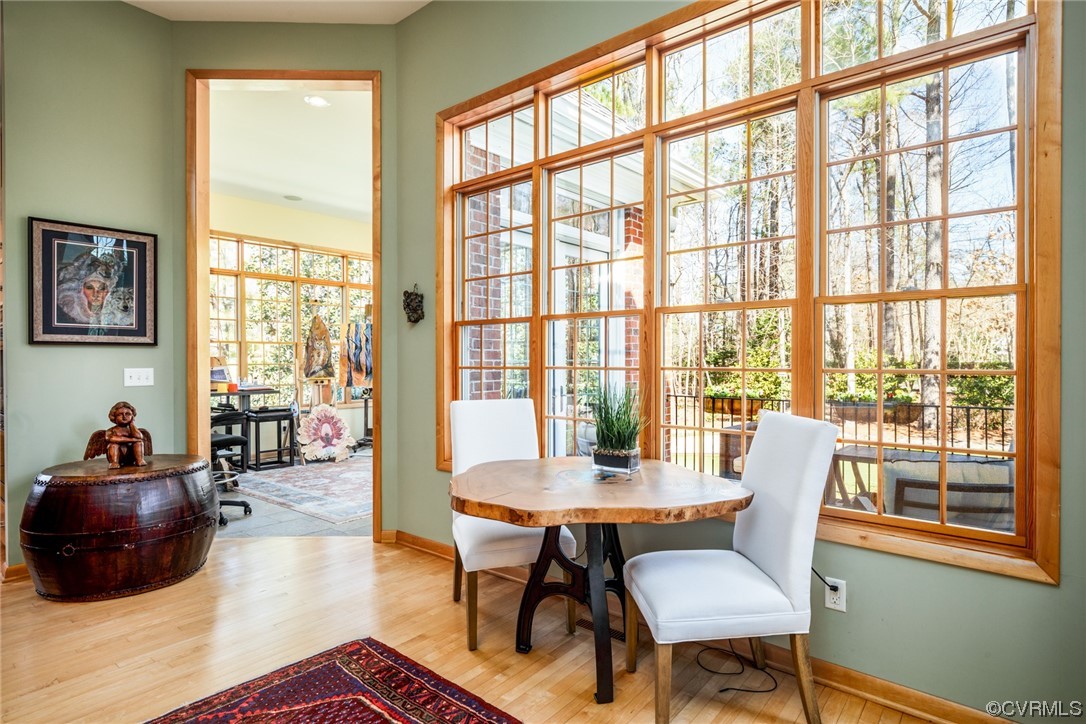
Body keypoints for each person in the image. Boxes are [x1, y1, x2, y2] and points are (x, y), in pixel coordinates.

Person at [103, 401, 147, 468]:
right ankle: (114, 463)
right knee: (113, 445)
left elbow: (139, 437)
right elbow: (113, 439)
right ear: (114, 417)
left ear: (132, 416)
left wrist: (131, 424)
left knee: (139, 442)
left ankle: (140, 460)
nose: (124, 417)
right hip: (119, 457)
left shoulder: (132, 430)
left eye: (128, 414)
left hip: (130, 457)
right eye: (120, 414)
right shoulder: (111, 430)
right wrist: (133, 439)